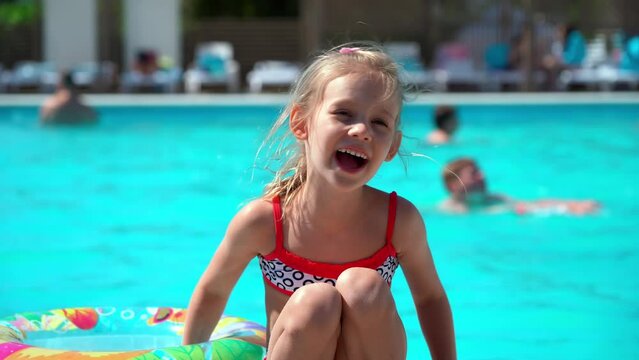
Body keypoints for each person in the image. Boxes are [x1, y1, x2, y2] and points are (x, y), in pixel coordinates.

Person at [182, 44, 456, 359]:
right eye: (343, 113)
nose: (362, 130)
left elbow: (430, 298)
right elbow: (213, 291)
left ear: (392, 146)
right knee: (316, 302)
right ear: (301, 123)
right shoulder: (264, 221)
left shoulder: (398, 221)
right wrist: (189, 354)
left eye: (379, 123)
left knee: (362, 286)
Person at [440, 157, 599, 215]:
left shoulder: (495, 198)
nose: (482, 176)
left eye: (480, 171)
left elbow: (530, 204)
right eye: (474, 173)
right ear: (453, 185)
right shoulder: (448, 212)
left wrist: (569, 205)